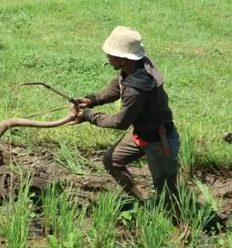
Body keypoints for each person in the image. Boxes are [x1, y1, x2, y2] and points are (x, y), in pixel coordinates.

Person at [72, 26, 181, 216]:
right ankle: (142, 203)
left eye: (110, 54)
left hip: (159, 141)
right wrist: (93, 99)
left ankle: (177, 225)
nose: (107, 57)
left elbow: (119, 122)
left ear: (123, 58)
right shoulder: (134, 67)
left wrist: (89, 116)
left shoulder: (138, 87)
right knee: (112, 161)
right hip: (142, 133)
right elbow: (118, 85)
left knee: (167, 194)